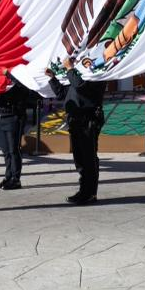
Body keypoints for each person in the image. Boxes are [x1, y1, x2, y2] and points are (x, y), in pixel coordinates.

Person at [47, 57, 106, 205]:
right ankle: (84, 190)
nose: (85, 64)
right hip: (75, 120)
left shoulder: (97, 75)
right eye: (84, 62)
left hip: (87, 120)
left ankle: (89, 193)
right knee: (80, 159)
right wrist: (52, 78)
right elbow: (62, 94)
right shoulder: (79, 76)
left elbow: (80, 87)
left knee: (88, 158)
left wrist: (69, 69)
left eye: (88, 61)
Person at [0, 68, 39, 190]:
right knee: (6, 151)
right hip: (1, 116)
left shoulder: (19, 78)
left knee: (14, 150)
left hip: (14, 117)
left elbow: (26, 87)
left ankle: (16, 179)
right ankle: (8, 176)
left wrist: (9, 74)